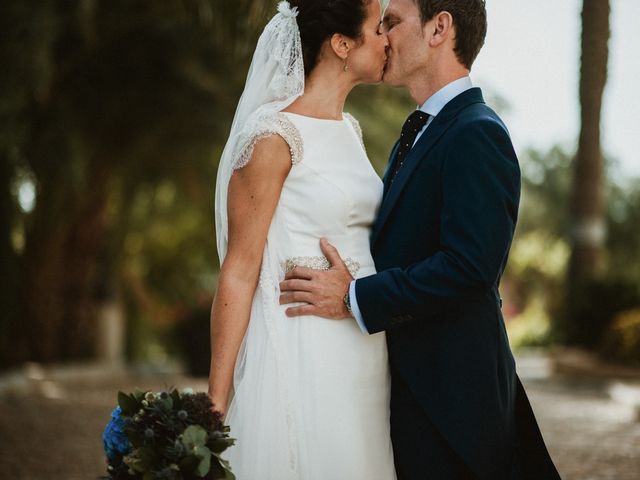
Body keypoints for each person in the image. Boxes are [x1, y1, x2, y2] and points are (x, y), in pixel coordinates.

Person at [280, 0, 561, 478]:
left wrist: (353, 297)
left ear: (439, 28)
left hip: (453, 401)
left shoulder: (477, 132)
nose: (382, 36)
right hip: (411, 390)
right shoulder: (420, 132)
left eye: (392, 22)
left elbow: (469, 268)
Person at [208, 0, 396, 478]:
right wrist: (215, 400)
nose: (388, 38)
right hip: (304, 347)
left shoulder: (349, 130)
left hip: (363, 347)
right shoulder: (273, 136)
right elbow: (239, 269)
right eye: (378, 29)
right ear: (341, 45)